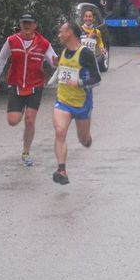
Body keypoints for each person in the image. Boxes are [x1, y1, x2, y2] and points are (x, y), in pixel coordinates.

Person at [0, 12, 57, 167]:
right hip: (16, 85)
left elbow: (53, 62)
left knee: (30, 120)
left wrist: (60, 60)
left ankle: (26, 152)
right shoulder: (12, 41)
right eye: (24, 23)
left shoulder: (43, 43)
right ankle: (18, 115)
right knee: (13, 121)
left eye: (30, 23)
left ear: (35, 25)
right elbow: (2, 59)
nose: (26, 26)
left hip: (35, 86)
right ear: (20, 25)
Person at [52, 21, 101, 185]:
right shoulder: (64, 51)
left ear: (70, 33)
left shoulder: (85, 53)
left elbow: (97, 78)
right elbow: (62, 72)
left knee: (83, 140)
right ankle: (62, 169)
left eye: (61, 31)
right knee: (60, 132)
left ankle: (87, 138)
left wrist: (79, 83)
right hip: (63, 100)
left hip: (81, 103)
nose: (59, 35)